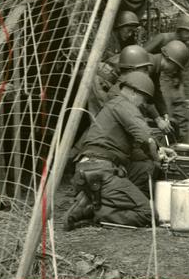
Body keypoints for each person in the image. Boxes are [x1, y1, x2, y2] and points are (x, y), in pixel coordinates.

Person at [65, 71, 177, 230]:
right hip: (99, 170)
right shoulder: (123, 105)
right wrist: (158, 156)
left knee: (147, 168)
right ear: (133, 92)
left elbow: (137, 151)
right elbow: (147, 138)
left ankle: (96, 199)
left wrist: (159, 150)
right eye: (143, 99)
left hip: (95, 168)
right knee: (147, 214)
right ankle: (94, 212)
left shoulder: (115, 106)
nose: (143, 104)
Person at [144, 13, 189, 140]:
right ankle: (166, 142)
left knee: (182, 114)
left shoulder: (187, 48)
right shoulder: (163, 38)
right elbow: (142, 54)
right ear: (180, 28)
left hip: (176, 82)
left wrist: (188, 95)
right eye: (187, 31)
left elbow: (186, 71)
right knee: (166, 112)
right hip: (160, 77)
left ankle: (182, 144)